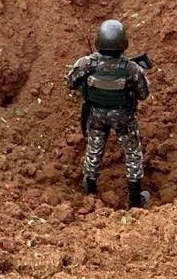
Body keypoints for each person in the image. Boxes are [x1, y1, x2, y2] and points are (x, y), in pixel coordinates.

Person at [65, 19, 152, 208]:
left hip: (96, 115)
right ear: (123, 44)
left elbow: (71, 83)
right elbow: (143, 94)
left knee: (94, 150)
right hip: (123, 118)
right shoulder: (132, 69)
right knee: (132, 153)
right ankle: (135, 199)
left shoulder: (86, 64)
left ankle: (90, 191)